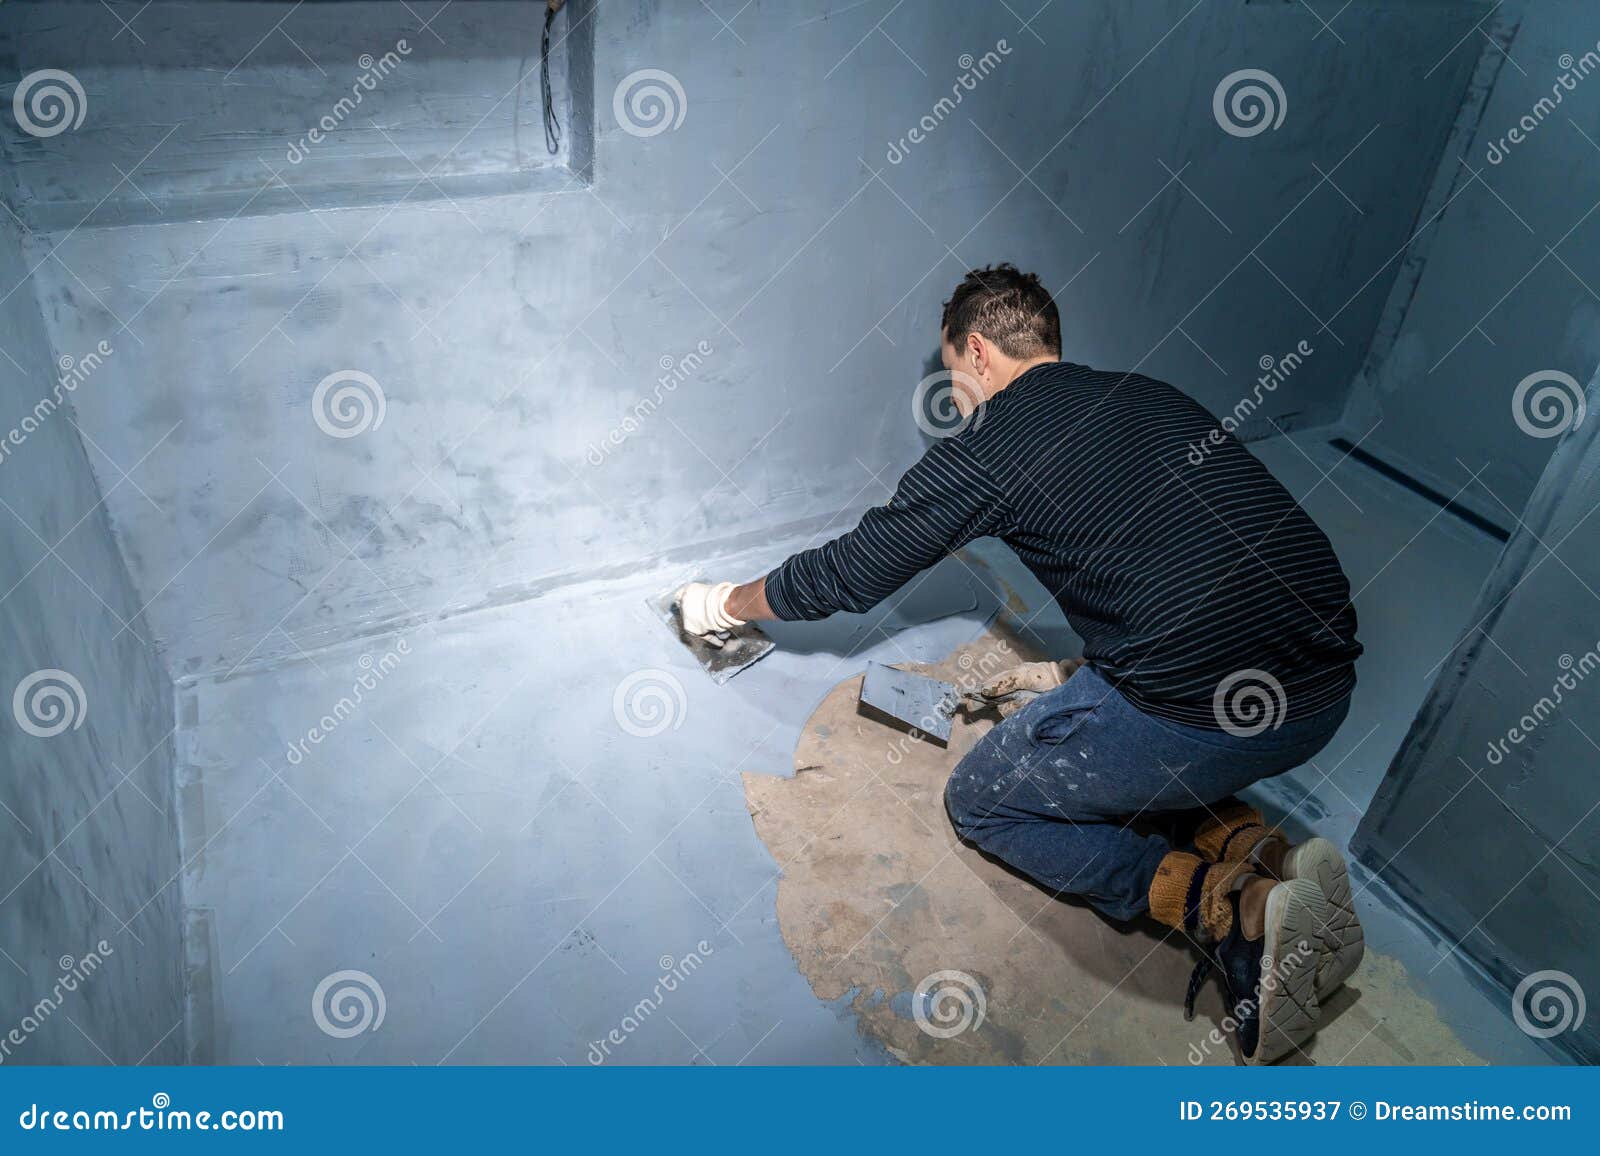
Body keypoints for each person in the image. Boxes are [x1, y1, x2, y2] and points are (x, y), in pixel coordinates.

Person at [675, 264, 1363, 1064]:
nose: (957, 399)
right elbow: (1187, 550)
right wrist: (1081, 670)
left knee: (987, 801)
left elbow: (852, 573)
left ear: (976, 350)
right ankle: (1262, 850)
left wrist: (724, 603)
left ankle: (1230, 908)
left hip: (1200, 714)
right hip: (1322, 692)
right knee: (1142, 729)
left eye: (952, 376)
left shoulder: (990, 446)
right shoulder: (1148, 395)